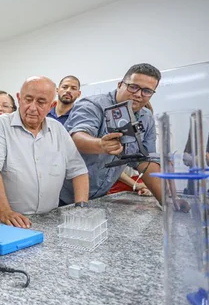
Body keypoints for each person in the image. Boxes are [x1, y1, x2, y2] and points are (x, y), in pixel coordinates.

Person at [60, 63, 187, 210]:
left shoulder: (146, 118)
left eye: (146, 91)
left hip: (99, 197)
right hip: (62, 196)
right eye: (133, 87)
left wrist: (169, 201)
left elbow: (145, 161)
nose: (138, 94)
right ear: (120, 85)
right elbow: (76, 137)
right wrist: (100, 145)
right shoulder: (92, 105)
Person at [0, 77, 89, 228]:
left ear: (51, 105)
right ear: (19, 98)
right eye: (28, 99)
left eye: (41, 102)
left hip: (49, 219)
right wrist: (5, 211)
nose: (32, 107)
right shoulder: (0, 125)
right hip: (8, 222)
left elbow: (78, 170)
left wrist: (81, 209)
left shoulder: (58, 129)